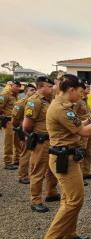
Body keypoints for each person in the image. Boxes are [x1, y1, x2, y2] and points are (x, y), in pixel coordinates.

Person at [41, 74, 91, 239]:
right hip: (64, 159)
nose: (81, 94)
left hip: (68, 157)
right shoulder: (61, 108)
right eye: (79, 91)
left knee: (68, 198)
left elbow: (76, 125)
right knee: (74, 199)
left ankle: (68, 234)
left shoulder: (64, 107)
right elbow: (84, 132)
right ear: (71, 90)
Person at [23, 77, 59, 213]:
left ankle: (51, 192)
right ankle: (36, 200)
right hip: (41, 140)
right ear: (41, 87)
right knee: (38, 171)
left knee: (51, 169)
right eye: (50, 86)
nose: (52, 88)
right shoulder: (34, 101)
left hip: (51, 139)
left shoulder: (50, 100)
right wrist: (36, 136)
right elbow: (27, 125)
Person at [11, 83, 37, 184]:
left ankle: (35, 174)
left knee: (35, 154)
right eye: (31, 90)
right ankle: (23, 175)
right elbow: (15, 120)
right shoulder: (21, 103)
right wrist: (21, 129)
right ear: (26, 92)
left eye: (35, 90)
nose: (34, 92)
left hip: (35, 131)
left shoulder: (36, 102)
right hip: (26, 131)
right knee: (25, 153)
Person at [74, 80, 91, 182]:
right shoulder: (78, 101)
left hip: (88, 129)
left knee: (87, 152)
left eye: (89, 87)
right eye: (87, 87)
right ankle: (79, 176)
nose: (89, 88)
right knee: (81, 152)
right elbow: (73, 115)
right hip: (82, 129)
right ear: (82, 89)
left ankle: (86, 172)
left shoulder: (87, 100)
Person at [0, 80, 21, 170]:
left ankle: (16, 159)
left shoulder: (16, 96)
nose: (18, 88)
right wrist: (3, 117)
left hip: (15, 121)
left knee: (17, 141)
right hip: (8, 121)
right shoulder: (5, 94)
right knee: (9, 142)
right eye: (16, 86)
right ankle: (7, 162)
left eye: (19, 86)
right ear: (11, 86)